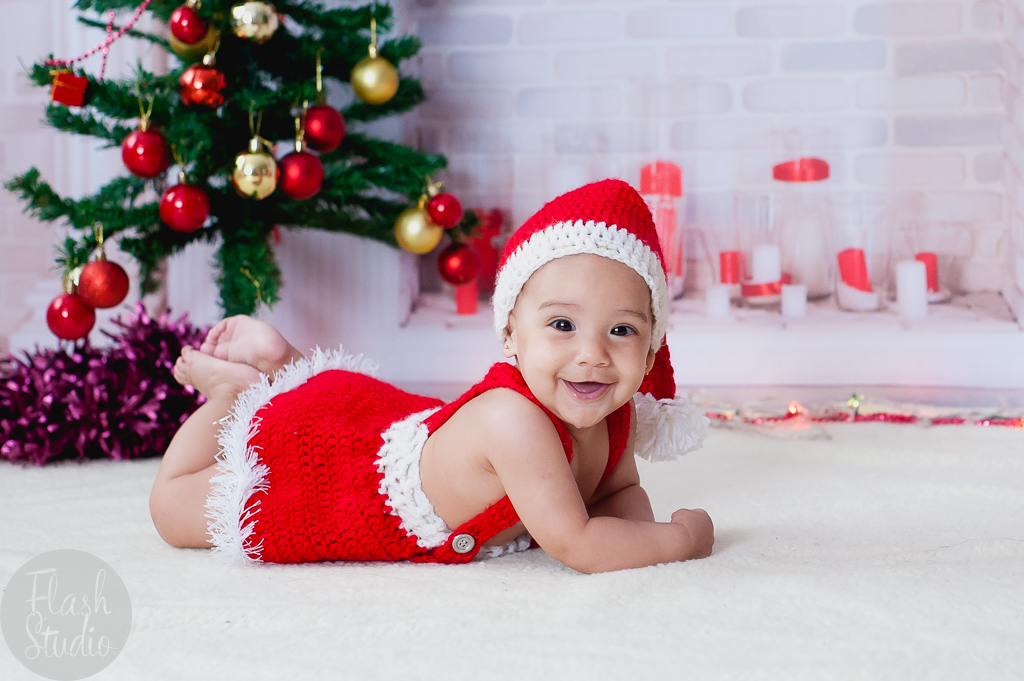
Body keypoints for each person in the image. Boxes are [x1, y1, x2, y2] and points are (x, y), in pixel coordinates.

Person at [149, 178, 714, 574]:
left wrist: (638, 538)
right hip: (354, 488)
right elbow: (580, 543)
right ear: (511, 335)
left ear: (650, 347)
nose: (591, 355)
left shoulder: (612, 411)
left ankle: (286, 366)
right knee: (171, 510)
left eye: (621, 331)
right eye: (563, 324)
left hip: (410, 428)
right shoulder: (515, 423)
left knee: (355, 408)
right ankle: (232, 392)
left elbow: (618, 497)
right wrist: (678, 540)